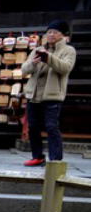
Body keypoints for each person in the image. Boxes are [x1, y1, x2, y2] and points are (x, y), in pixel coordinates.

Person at [21, 20, 76, 167]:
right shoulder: (38, 49)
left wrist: (48, 58)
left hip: (52, 96)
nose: (51, 35)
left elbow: (65, 68)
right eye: (49, 32)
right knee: (33, 127)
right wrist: (33, 63)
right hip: (34, 95)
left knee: (51, 127)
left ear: (63, 35)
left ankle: (55, 160)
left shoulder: (68, 50)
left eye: (55, 32)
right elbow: (24, 69)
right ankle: (37, 157)